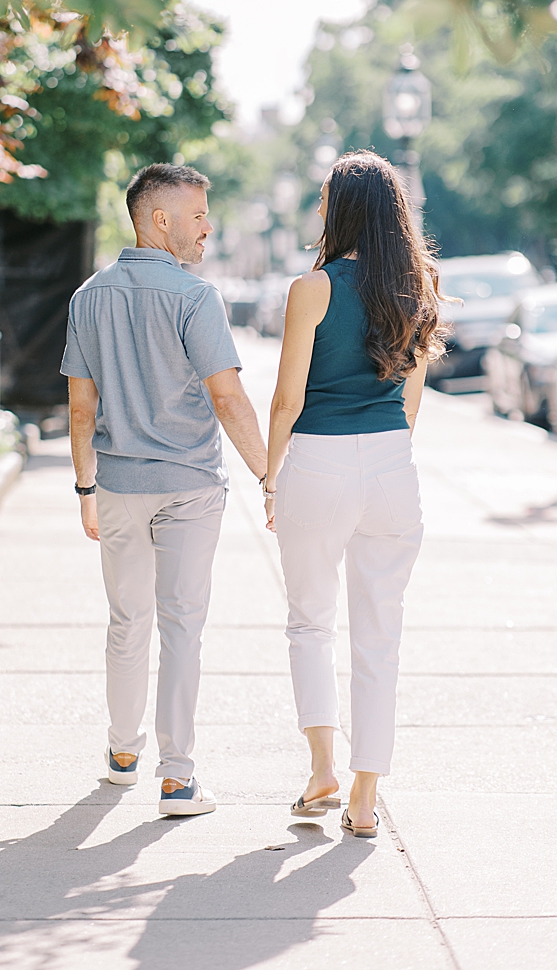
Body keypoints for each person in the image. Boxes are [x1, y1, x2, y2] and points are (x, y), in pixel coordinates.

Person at [63, 163, 269, 816]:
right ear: (160, 220)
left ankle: (123, 752)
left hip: (119, 486)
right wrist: (270, 474)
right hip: (189, 487)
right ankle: (177, 777)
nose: (209, 226)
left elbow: (79, 411)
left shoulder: (88, 296)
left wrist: (85, 488)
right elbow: (229, 397)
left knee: (128, 620)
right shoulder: (194, 297)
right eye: (199, 215)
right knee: (181, 626)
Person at [264, 151, 443, 839]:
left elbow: (286, 399)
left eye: (323, 198)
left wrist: (271, 476)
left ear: (341, 210)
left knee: (310, 620)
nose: (317, 209)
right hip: (393, 463)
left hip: (318, 459)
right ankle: (365, 798)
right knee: (380, 635)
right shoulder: (419, 284)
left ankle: (322, 770)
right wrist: (388, 458)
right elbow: (413, 398)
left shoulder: (311, 289)